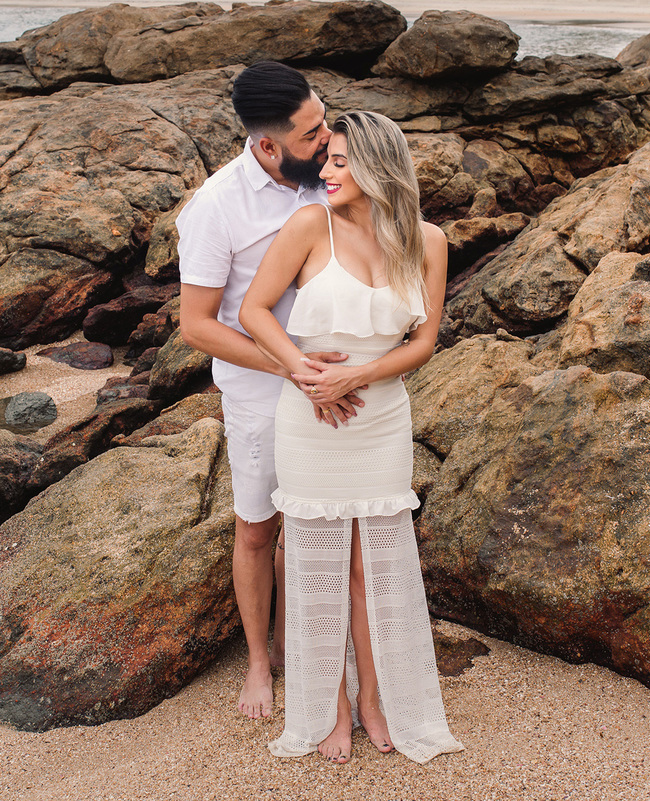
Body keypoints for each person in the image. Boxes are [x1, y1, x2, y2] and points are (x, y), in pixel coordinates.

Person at [239, 111, 464, 764]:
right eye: (325, 160)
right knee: (315, 569)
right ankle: (331, 708)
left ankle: (372, 697)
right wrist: (307, 373)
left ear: (377, 166)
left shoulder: (428, 240)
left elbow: (423, 340)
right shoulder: (311, 226)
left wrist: (361, 374)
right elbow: (255, 310)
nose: (326, 172)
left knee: (371, 569)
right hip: (309, 418)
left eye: (340, 161)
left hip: (383, 418)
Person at [177, 61, 363, 720]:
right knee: (258, 529)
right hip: (261, 390)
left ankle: (307, 642)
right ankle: (260, 660)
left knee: (324, 521)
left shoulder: (329, 175)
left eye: (324, 122)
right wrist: (291, 367)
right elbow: (196, 325)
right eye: (312, 133)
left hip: (334, 377)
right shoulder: (217, 207)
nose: (327, 139)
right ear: (266, 144)